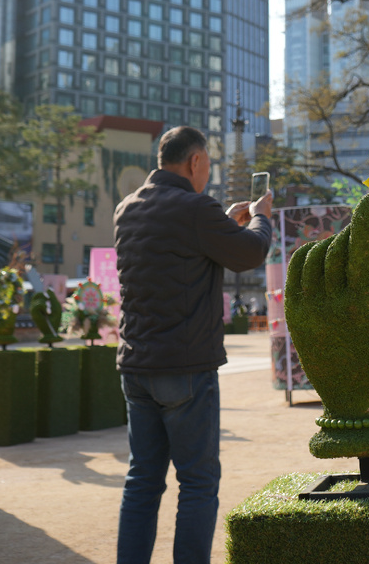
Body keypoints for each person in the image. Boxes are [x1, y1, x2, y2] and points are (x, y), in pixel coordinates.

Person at [113, 126, 273, 564]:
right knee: (198, 483)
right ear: (195, 162)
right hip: (183, 366)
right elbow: (249, 254)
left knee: (142, 481)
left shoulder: (127, 209)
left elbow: (176, 245)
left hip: (136, 368)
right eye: (207, 166)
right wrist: (261, 217)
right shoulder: (196, 209)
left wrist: (222, 220)